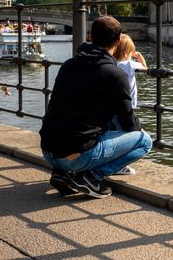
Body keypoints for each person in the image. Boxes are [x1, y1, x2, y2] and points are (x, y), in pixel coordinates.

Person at [39, 16, 152, 198]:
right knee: (144, 141)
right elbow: (128, 121)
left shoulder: (69, 65)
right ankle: (91, 177)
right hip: (76, 156)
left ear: (90, 37)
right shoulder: (115, 74)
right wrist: (139, 129)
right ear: (117, 41)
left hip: (48, 150)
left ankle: (62, 172)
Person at [113, 34, 147, 110]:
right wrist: (138, 55)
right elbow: (145, 68)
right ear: (126, 53)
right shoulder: (130, 64)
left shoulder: (111, 63)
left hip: (114, 105)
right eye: (131, 53)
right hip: (129, 104)